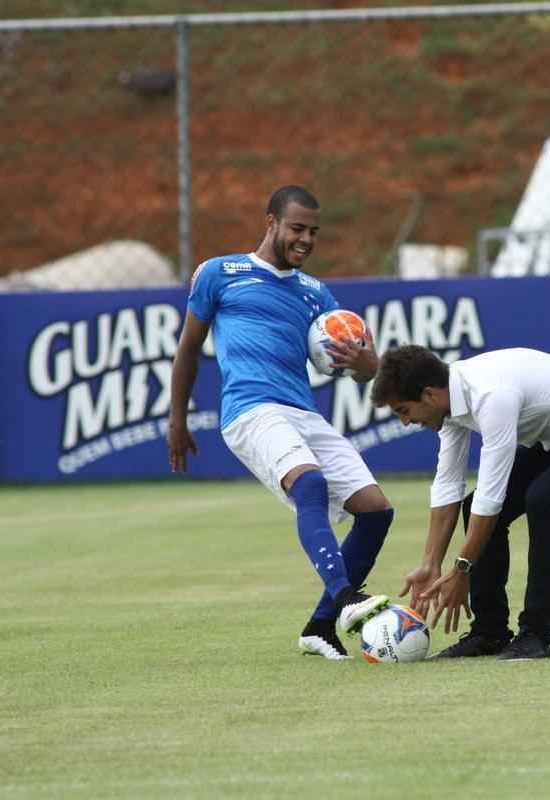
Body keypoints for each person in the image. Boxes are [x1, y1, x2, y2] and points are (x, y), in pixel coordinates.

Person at [167, 185, 393, 661]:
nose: (306, 239)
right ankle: (345, 596)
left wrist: (365, 361)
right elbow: (188, 349)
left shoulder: (316, 294)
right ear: (270, 222)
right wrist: (177, 419)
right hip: (250, 409)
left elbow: (363, 369)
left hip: (301, 411)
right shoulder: (220, 273)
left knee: (376, 510)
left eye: (313, 231)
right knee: (308, 485)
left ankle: (321, 627)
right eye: (296, 228)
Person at [370, 345, 550, 661]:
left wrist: (462, 568)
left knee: (543, 500)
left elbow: (493, 495)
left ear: (429, 395)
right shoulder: (450, 400)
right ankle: (489, 633)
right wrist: (431, 563)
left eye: (404, 411)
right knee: (471, 504)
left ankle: (535, 635)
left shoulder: (492, 396)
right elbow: (448, 485)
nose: (406, 422)